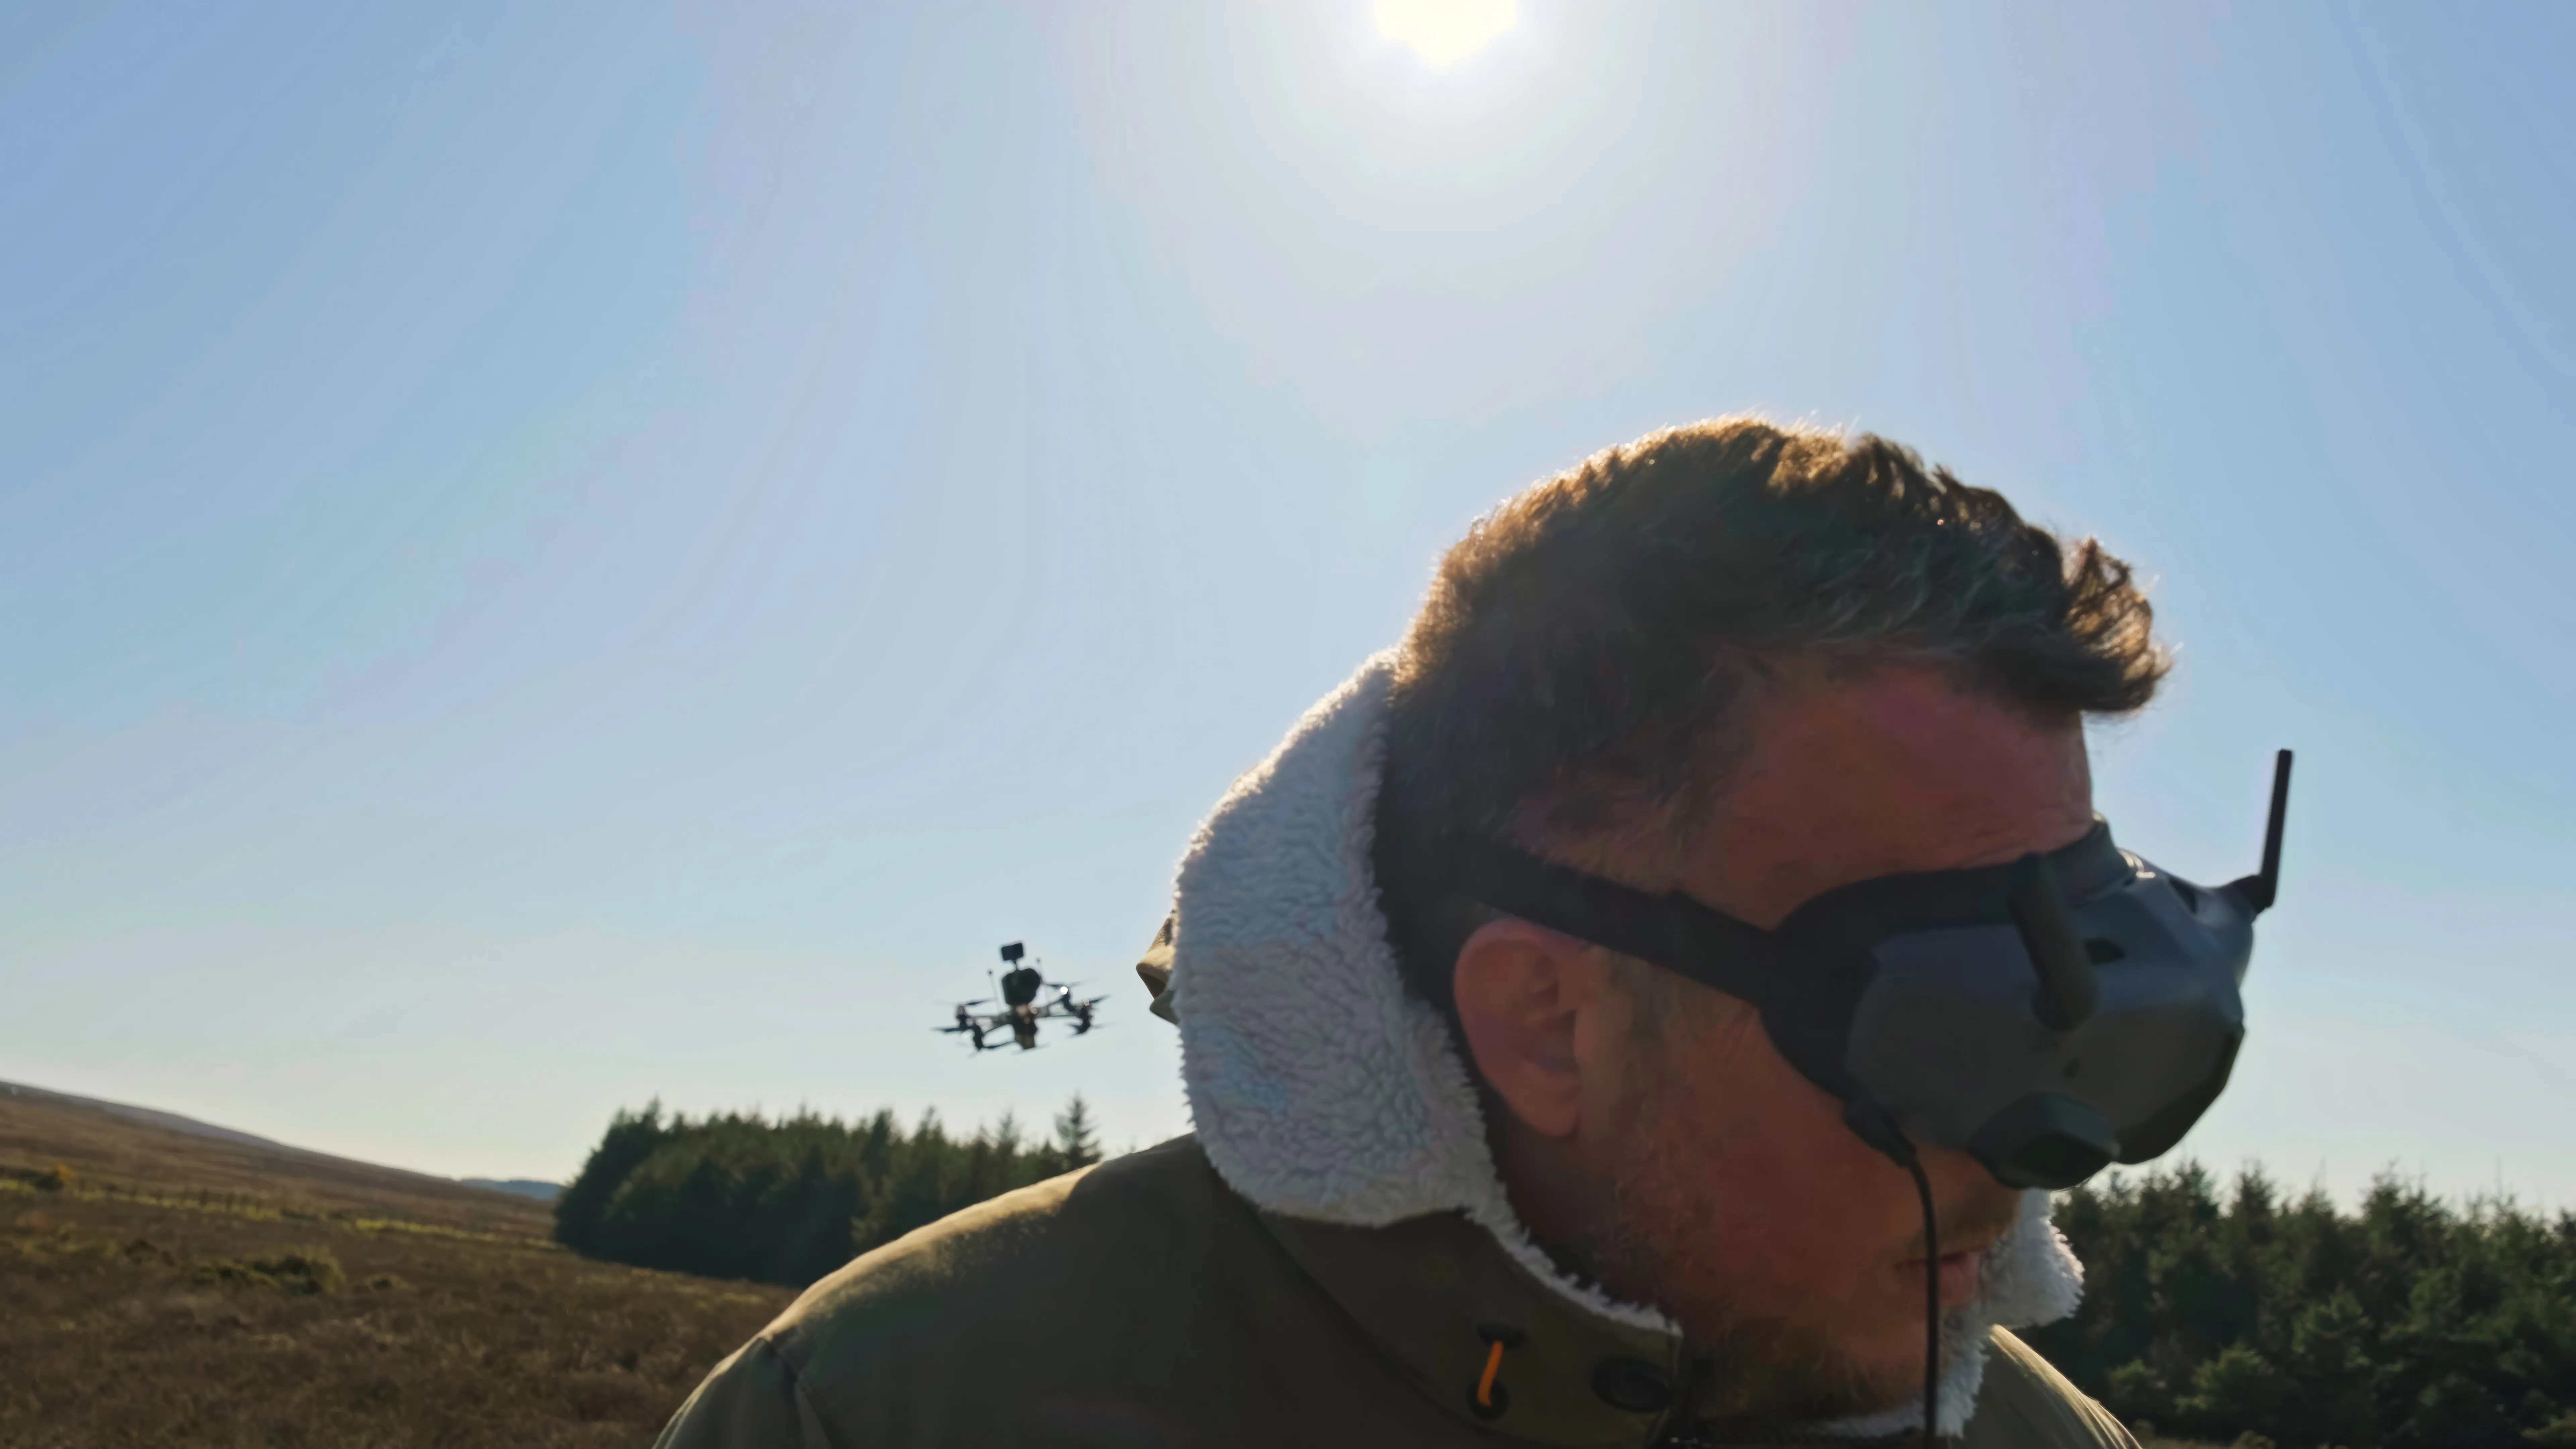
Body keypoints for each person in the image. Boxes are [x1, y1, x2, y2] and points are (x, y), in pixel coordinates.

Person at [657, 418, 2165, 1448]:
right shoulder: (886, 1418)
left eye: (2107, 976)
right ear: (1544, 1020)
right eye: (1950, 1012)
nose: (2059, 1141)